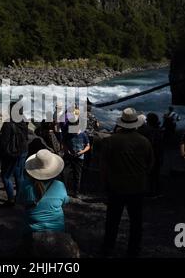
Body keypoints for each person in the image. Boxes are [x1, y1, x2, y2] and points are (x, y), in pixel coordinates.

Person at [100, 108, 154, 257]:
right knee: (136, 222)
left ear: (121, 123)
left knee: (112, 220)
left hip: (116, 186)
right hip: (137, 186)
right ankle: (133, 250)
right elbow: (150, 164)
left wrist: (105, 182)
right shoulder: (144, 141)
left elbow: (104, 166)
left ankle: (108, 247)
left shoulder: (110, 141)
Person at [18, 149, 69, 234]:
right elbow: (65, 202)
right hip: (57, 229)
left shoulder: (25, 185)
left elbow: (20, 202)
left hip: (32, 229)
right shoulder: (60, 185)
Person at [0, 101, 29, 207]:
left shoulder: (8, 124)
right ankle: (19, 198)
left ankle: (11, 200)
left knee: (6, 176)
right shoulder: (24, 121)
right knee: (19, 175)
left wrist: (2, 155)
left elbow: (4, 142)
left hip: (12, 153)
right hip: (23, 150)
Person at [62, 114, 90, 198]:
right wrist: (67, 151)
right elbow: (64, 143)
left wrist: (82, 152)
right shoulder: (68, 133)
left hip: (79, 157)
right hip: (69, 156)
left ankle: (76, 192)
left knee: (77, 175)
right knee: (65, 174)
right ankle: (63, 191)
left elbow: (88, 146)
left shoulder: (83, 134)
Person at [138, 113, 164, 198]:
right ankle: (155, 191)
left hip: (151, 155)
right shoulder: (158, 130)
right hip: (157, 155)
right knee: (155, 175)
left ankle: (150, 191)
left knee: (150, 174)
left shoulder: (150, 131)